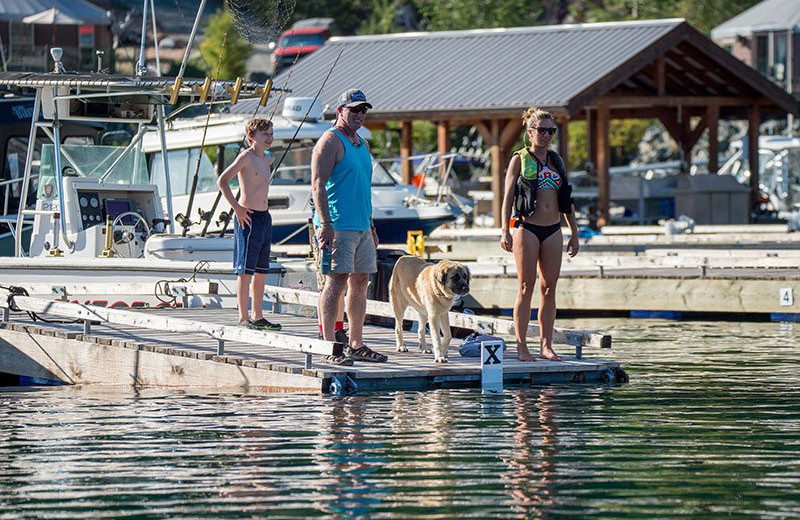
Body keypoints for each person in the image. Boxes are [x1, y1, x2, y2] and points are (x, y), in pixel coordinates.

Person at [311, 89, 388, 365]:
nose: (359, 115)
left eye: (363, 110)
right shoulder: (330, 141)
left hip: (361, 226)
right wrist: (326, 223)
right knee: (336, 281)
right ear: (340, 111)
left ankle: (356, 343)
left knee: (360, 282)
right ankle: (329, 345)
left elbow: (363, 187)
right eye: (354, 110)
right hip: (338, 226)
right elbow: (318, 184)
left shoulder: (361, 144)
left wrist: (371, 224)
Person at [500, 107, 579, 361]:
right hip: (527, 228)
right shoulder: (519, 159)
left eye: (551, 131)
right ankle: (522, 346)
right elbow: (508, 197)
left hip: (553, 229)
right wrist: (505, 231)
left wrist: (574, 232)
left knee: (549, 288)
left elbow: (567, 199)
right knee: (526, 286)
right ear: (530, 132)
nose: (546, 136)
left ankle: (547, 345)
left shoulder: (556, 161)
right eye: (542, 130)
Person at [217, 117, 282, 331]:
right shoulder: (246, 157)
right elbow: (223, 181)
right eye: (265, 134)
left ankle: (258, 315)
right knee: (245, 271)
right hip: (248, 217)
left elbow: (270, 158)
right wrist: (237, 208)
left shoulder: (267, 159)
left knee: (261, 270)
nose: (270, 138)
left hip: (265, 217)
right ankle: (243, 317)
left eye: (271, 134)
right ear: (251, 137)